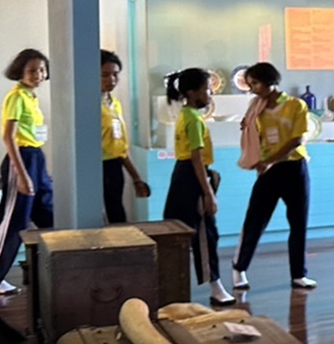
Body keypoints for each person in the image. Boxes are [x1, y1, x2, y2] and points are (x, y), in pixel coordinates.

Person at [230, 62, 316, 291]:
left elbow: (298, 139)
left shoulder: (295, 105)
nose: (252, 89)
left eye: (255, 83)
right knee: (255, 221)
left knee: (298, 222)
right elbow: (250, 132)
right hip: (267, 171)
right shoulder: (255, 107)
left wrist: (271, 160)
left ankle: (299, 274)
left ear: (270, 81)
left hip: (294, 167)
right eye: (250, 84)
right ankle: (239, 268)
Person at [0, 48, 55, 295]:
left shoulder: (31, 97)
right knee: (15, 220)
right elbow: (9, 137)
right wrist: (22, 175)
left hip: (36, 157)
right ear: (21, 72)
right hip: (21, 159)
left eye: (42, 70)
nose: (39, 75)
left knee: (49, 214)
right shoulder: (16, 97)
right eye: (32, 70)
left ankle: (54, 268)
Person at [163, 68, 235, 304]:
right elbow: (196, 158)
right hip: (192, 177)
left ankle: (170, 287)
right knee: (205, 233)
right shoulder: (193, 119)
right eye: (206, 89)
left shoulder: (187, 114)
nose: (210, 94)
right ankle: (215, 286)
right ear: (192, 92)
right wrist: (208, 193)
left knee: (178, 231)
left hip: (182, 175)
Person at [101, 50, 151, 224]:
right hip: (95, 167)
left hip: (114, 166)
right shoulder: (88, 104)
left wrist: (136, 177)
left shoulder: (114, 104)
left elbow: (121, 147)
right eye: (105, 75)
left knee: (116, 212)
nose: (111, 80)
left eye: (115, 74)